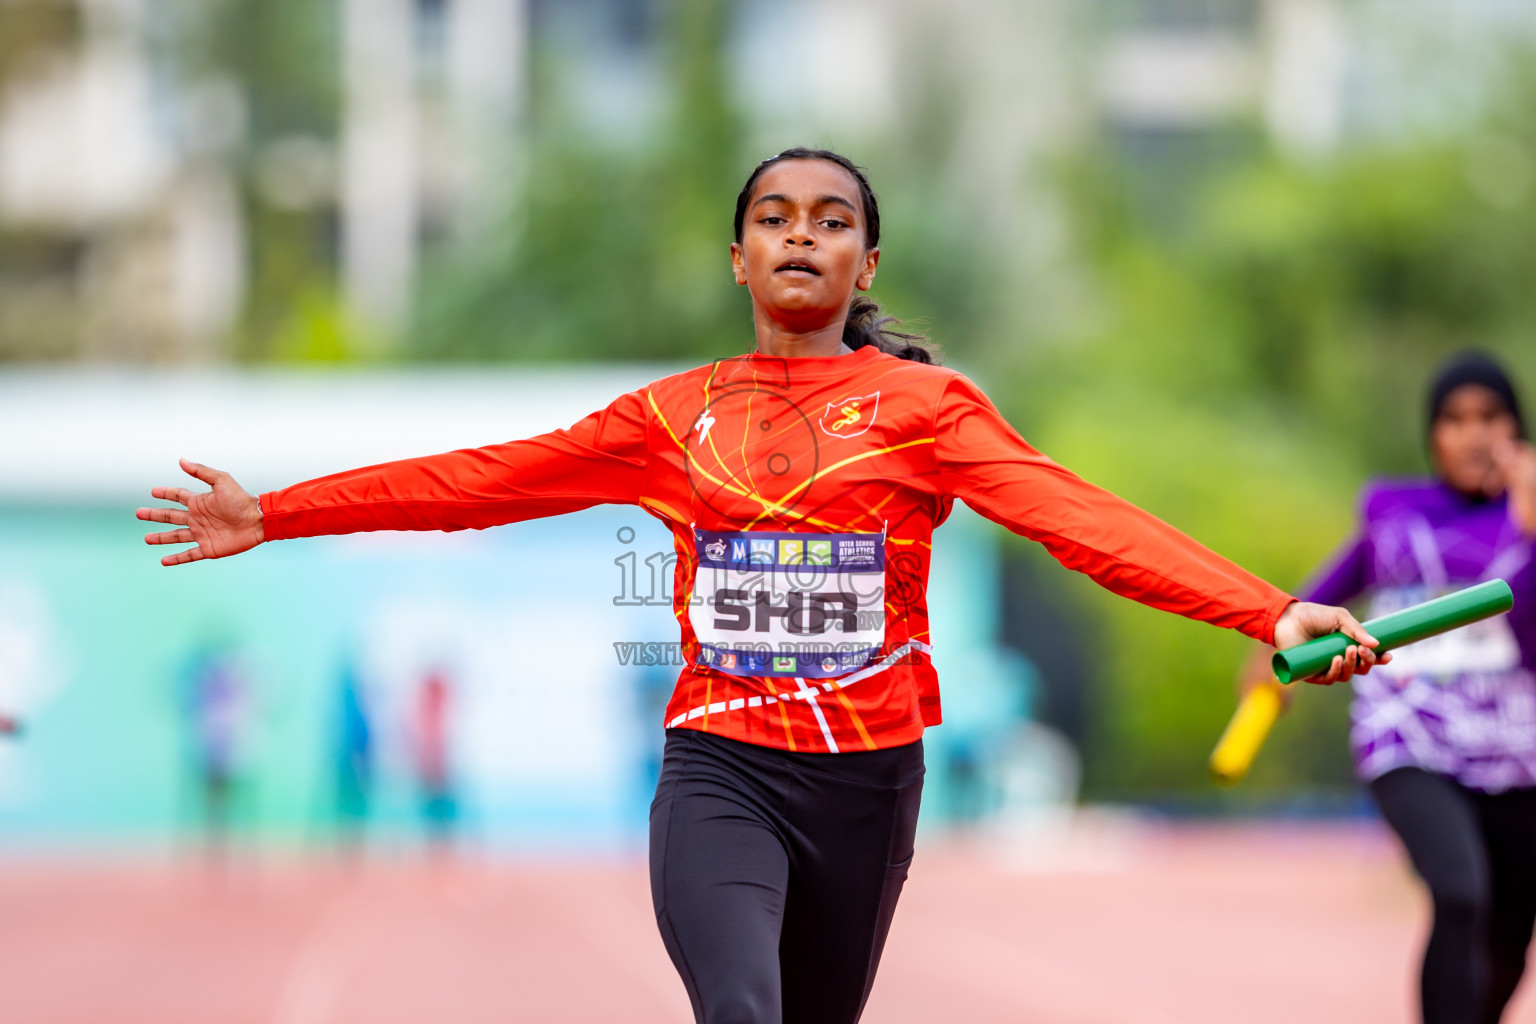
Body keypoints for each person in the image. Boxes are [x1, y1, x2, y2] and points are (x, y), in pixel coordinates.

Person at [138, 147, 1384, 1024]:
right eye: (776, 216)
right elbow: (481, 478)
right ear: (738, 257)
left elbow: (1084, 521)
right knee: (739, 1005)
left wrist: (1268, 608)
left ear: (866, 256)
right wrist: (280, 513)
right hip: (721, 765)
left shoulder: (927, 412)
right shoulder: (669, 418)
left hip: (871, 782)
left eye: (830, 217)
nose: (801, 232)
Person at [1251, 351, 1536, 1024]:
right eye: (1453, 419)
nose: (1472, 435)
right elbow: (1321, 594)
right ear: (1431, 433)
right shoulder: (1395, 511)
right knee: (1460, 892)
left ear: (1516, 431)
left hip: (1516, 748)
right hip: (1409, 730)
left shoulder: (1529, 519)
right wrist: (1267, 643)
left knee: (1508, 941)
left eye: (1489, 418)